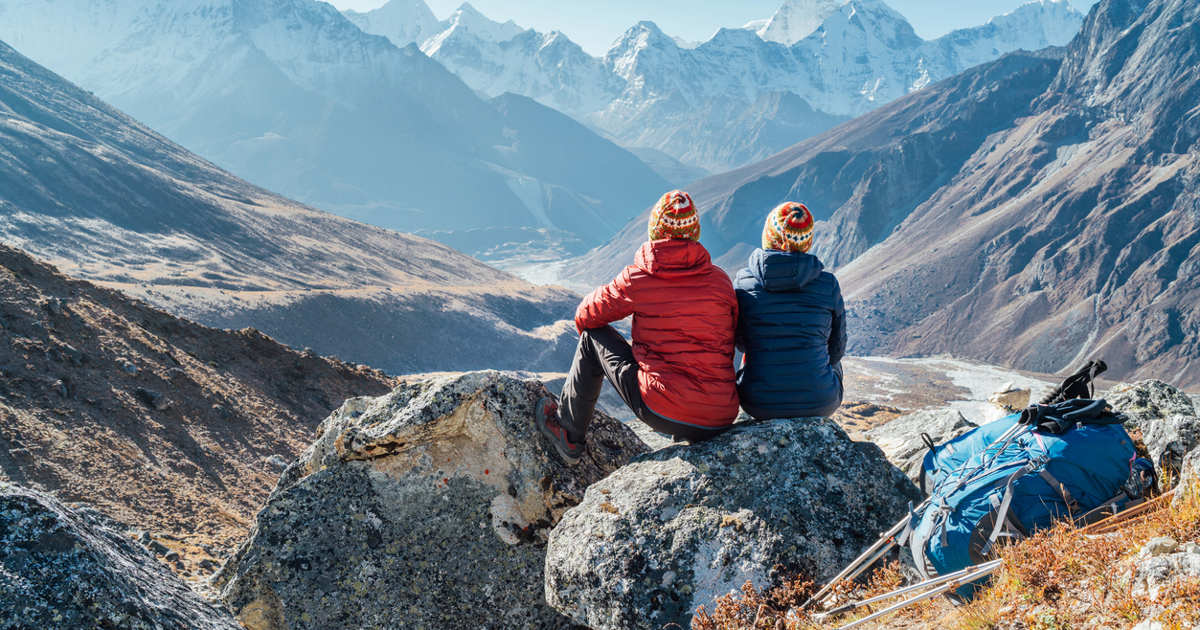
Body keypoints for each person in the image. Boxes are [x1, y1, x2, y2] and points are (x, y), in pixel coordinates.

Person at [536, 190, 740, 464]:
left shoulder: (639, 278)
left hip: (664, 410)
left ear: (655, 229)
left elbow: (587, 316)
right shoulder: (720, 282)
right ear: (695, 232)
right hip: (721, 414)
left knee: (593, 338)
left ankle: (568, 435)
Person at [734, 202, 845, 419]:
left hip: (757, 402)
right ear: (807, 242)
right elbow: (837, 349)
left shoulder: (744, 282)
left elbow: (739, 343)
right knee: (830, 350)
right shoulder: (827, 284)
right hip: (820, 402)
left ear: (769, 235)